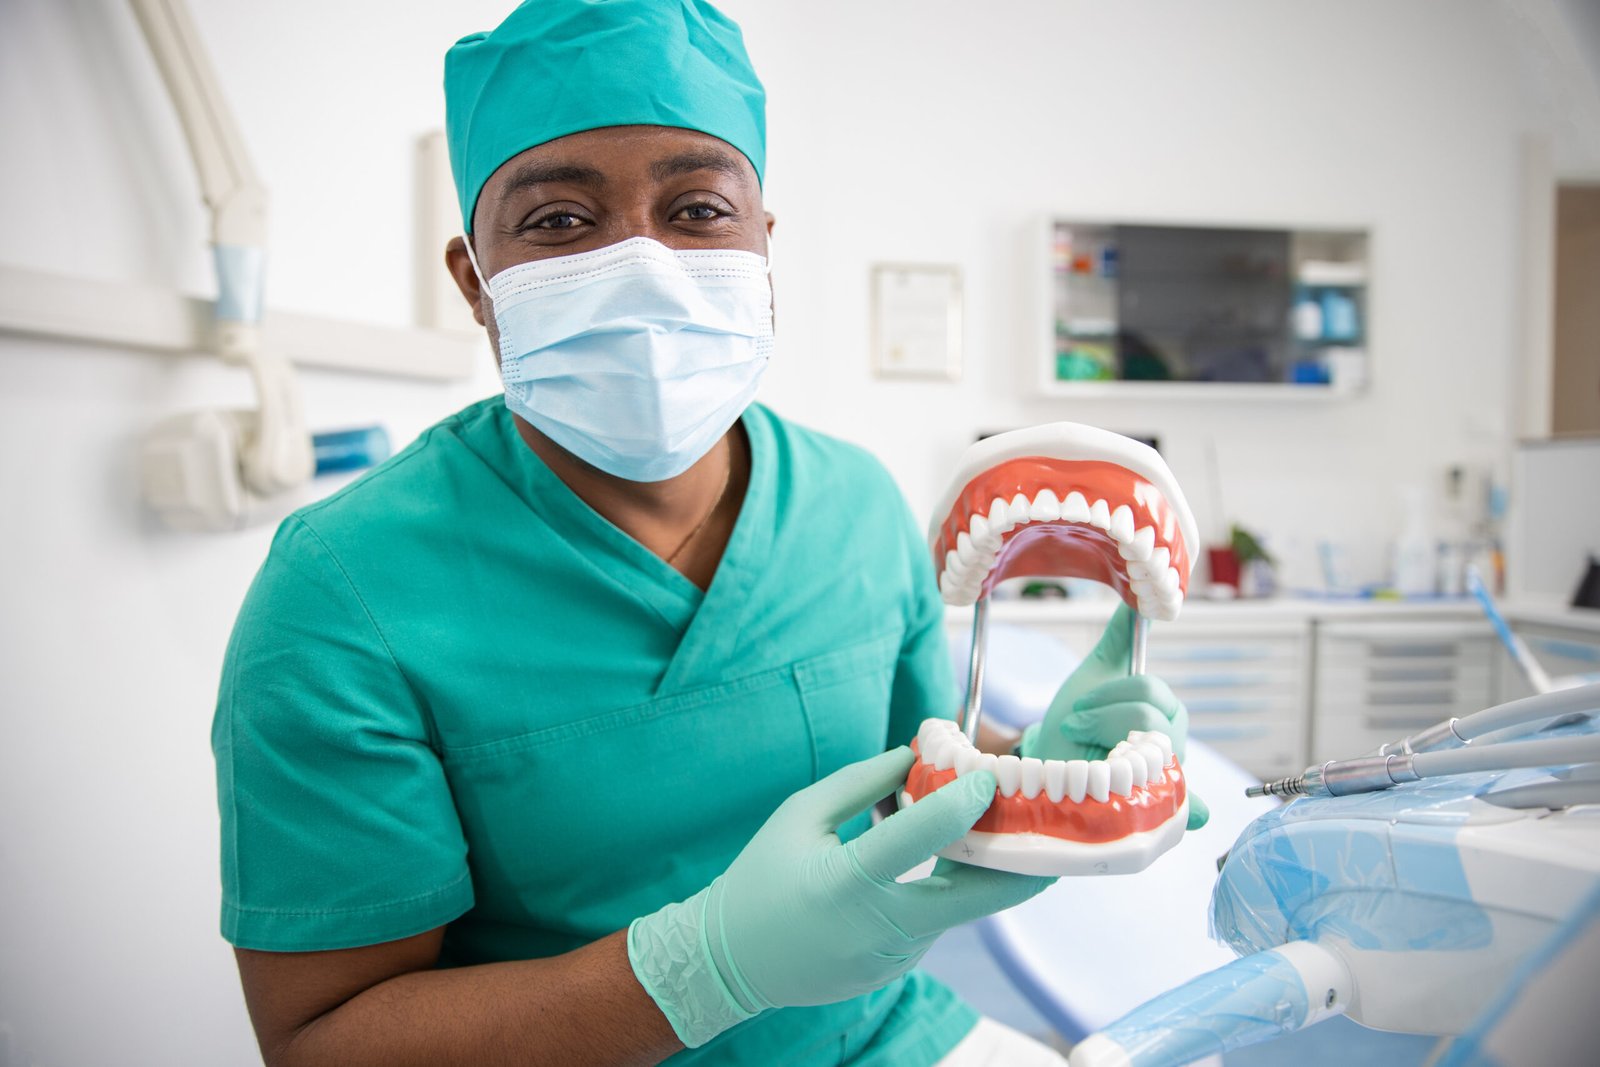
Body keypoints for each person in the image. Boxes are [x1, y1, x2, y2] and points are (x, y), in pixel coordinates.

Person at [211, 2, 1202, 1064]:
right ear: (474, 280)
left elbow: (912, 766)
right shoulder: (343, 595)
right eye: (558, 222)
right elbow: (324, 1037)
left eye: (694, 210)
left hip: (883, 1036)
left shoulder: (856, 504)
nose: (644, 265)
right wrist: (700, 969)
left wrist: (1039, 772)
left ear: (763, 245)